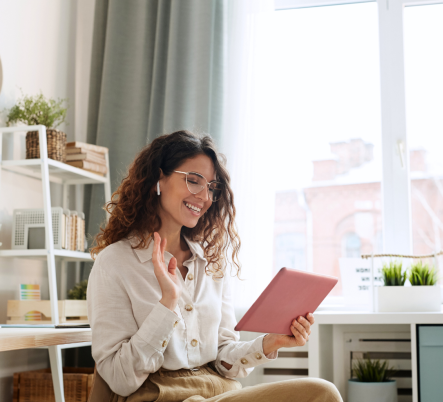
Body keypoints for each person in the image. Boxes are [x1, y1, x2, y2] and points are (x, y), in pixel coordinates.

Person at [87, 130, 343, 402]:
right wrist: (167, 304)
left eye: (211, 187)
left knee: (322, 393)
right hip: (158, 396)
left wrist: (270, 342)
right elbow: (118, 378)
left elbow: (223, 358)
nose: (205, 196)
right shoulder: (114, 263)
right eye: (194, 181)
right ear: (158, 179)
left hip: (217, 392)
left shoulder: (210, 264)